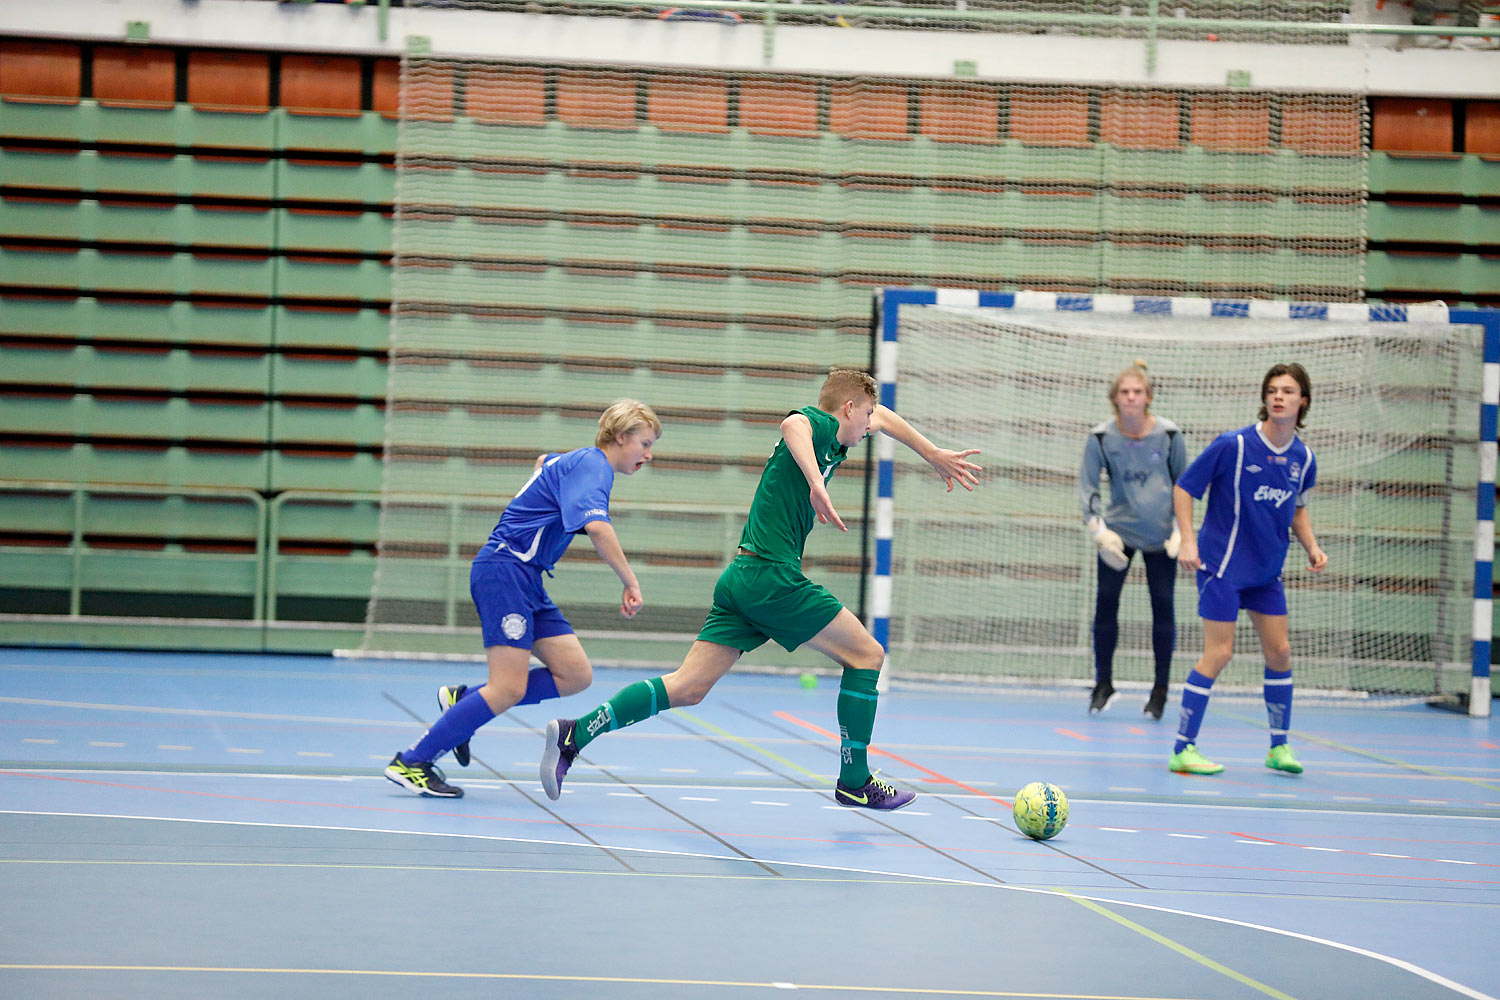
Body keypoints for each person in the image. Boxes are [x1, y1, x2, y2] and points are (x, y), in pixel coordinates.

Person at [538, 368, 981, 810]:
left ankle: (576, 733)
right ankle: (854, 780)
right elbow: (793, 424)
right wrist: (814, 481)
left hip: (742, 578)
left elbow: (884, 416)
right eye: (864, 416)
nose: (869, 427)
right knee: (867, 655)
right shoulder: (821, 426)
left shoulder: (842, 428)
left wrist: (931, 453)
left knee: (688, 687)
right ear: (847, 409)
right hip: (771, 577)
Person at [384, 399, 662, 798]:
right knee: (508, 687)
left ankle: (465, 700)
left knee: (574, 674)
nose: (649, 455)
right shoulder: (593, 465)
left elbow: (543, 460)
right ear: (621, 437)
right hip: (505, 571)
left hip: (528, 578)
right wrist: (630, 580)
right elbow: (598, 529)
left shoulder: (574, 462)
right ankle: (412, 762)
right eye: (645, 444)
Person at [1169, 363, 1327, 776]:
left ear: (1302, 402)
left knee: (1281, 652)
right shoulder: (1233, 446)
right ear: (1264, 399)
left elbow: (1298, 507)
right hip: (1221, 566)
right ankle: (1183, 749)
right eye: (1272, 390)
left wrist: (1311, 545)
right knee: (1219, 653)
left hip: (1266, 572)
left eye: (1288, 391)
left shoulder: (1303, 458)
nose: (1279, 396)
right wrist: (1187, 539)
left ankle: (1279, 747)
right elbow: (1185, 486)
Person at [1079, 360, 1187, 721]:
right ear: (1115, 398)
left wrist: (1181, 532)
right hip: (1118, 533)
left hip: (1161, 534)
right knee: (1106, 604)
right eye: (1124, 392)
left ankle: (1159, 690)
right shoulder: (1100, 438)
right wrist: (1100, 532)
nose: (1131, 397)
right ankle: (1103, 683)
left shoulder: (1170, 435)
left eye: (1137, 392)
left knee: (1162, 606)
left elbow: (1183, 485)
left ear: (1148, 397)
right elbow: (1089, 489)